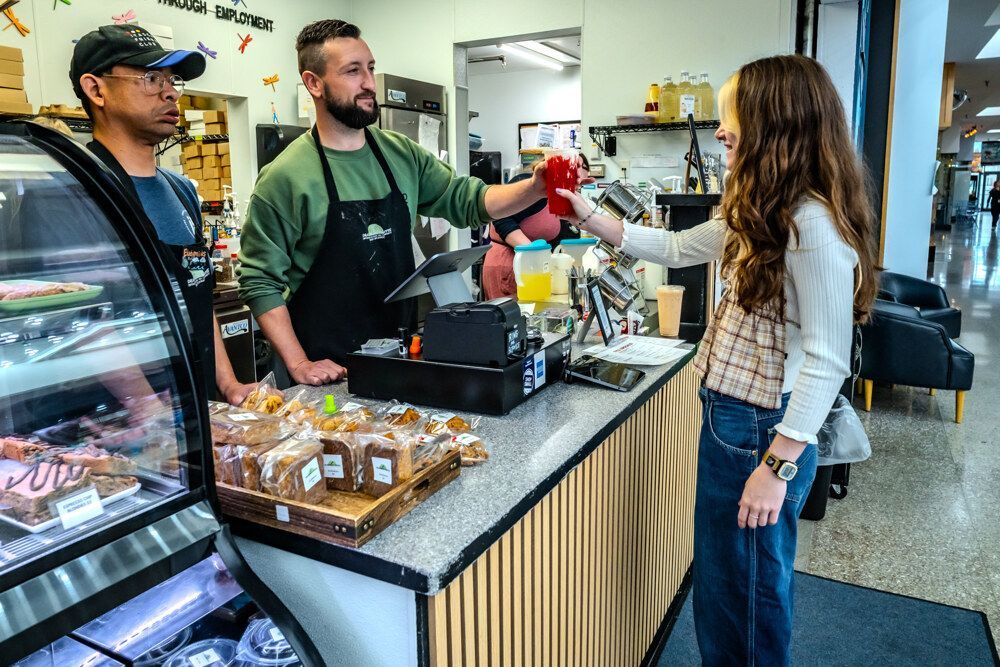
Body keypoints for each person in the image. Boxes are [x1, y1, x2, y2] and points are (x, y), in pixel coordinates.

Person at [555, 55, 878, 665]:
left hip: (763, 433)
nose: (722, 132)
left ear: (776, 124)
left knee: (747, 595)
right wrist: (591, 217)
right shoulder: (761, 211)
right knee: (728, 588)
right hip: (736, 424)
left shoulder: (812, 226)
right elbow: (677, 247)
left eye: (732, 120)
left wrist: (776, 467)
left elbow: (829, 358)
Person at [238, 19, 554, 386]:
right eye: (353, 71)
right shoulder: (285, 177)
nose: (370, 83)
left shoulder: (399, 153)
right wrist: (299, 364)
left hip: (399, 357)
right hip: (326, 374)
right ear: (314, 83)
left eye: (370, 68)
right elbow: (259, 281)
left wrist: (535, 187)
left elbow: (468, 199)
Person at [71, 24, 258, 404]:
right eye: (151, 78)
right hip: (125, 428)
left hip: (197, 413)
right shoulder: (77, 190)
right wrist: (154, 416)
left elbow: (198, 299)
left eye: (173, 79)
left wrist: (230, 385)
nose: (171, 92)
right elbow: (85, 325)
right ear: (96, 89)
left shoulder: (183, 190)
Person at [482, 154, 592, 300]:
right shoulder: (532, 187)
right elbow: (501, 218)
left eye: (583, 168)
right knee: (514, 317)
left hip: (534, 268)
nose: (579, 173)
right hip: (511, 266)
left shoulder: (564, 196)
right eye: (576, 166)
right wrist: (533, 252)